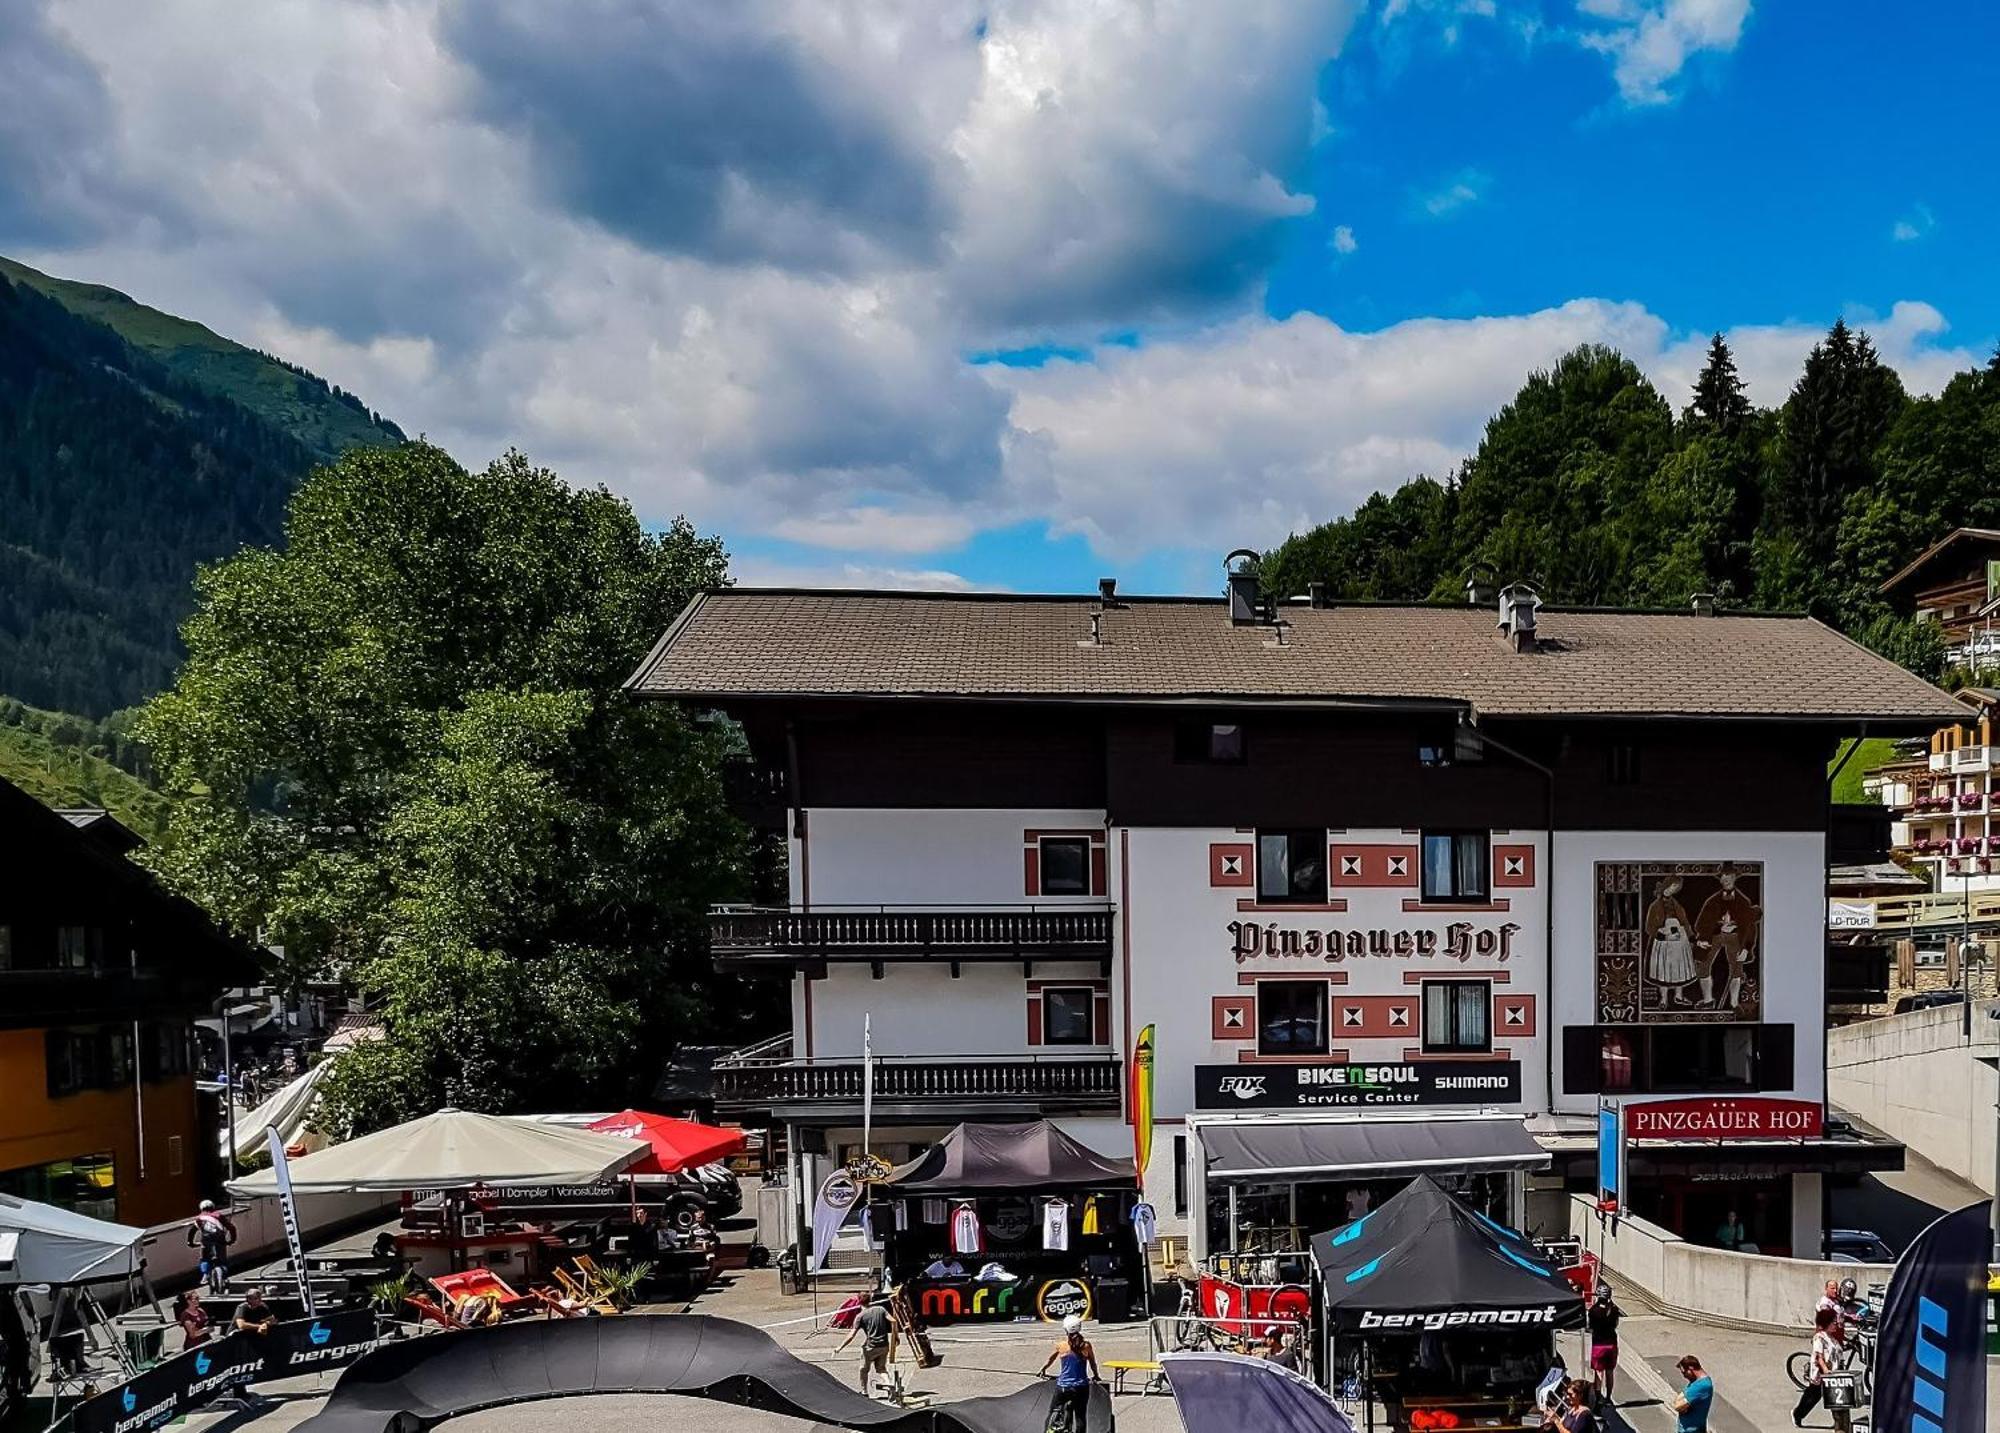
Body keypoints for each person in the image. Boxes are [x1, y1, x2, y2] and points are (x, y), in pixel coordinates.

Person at [1038, 1314, 1098, 1433]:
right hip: (1081, 1387)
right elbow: (1092, 1363)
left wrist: (1043, 1370)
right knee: (1080, 1417)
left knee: (1052, 1412)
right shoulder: (1086, 1346)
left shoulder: (1061, 1346)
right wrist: (1096, 1375)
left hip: (1064, 1387)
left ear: (1066, 1330)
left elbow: (1050, 1360)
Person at [1793, 1306, 1844, 1426]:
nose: (1836, 1325)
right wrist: (1826, 1370)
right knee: (1811, 1399)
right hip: (1821, 1376)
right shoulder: (1819, 1338)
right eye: (1833, 1322)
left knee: (1834, 1398)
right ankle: (1798, 1414)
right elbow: (1819, 1357)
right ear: (1826, 1323)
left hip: (1833, 1376)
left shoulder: (1833, 1339)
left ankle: (1839, 1422)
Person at [838, 1293, 894, 1396]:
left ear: (859, 1302)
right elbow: (893, 1321)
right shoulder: (881, 1309)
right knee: (881, 1369)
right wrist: (896, 1337)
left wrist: (840, 1347)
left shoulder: (860, 1316)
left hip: (870, 1347)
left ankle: (864, 1391)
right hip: (884, 1345)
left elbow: (851, 1335)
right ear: (871, 1300)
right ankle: (888, 1383)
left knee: (863, 1370)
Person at [186, 1199, 236, 1295]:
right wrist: (232, 1240)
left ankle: (205, 1274)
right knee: (222, 1261)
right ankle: (224, 1277)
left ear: (201, 1208)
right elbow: (231, 1228)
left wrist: (190, 1243)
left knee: (204, 1259)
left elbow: (192, 1231)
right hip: (220, 1242)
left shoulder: (200, 1218)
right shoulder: (219, 1216)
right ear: (213, 1207)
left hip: (206, 1242)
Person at [1586, 1283, 1622, 1404]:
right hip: (1611, 1343)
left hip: (1598, 1344)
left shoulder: (1593, 1310)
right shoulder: (1614, 1309)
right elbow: (1616, 1324)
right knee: (1610, 1371)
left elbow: (1589, 1327)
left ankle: (1598, 1397)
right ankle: (1608, 1397)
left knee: (1598, 1372)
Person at [1672, 1355, 1713, 1433]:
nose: (1684, 1376)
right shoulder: (1696, 1383)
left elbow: (1677, 1406)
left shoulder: (1701, 1386)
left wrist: (1682, 1405)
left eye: (1684, 1372)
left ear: (1690, 1369)